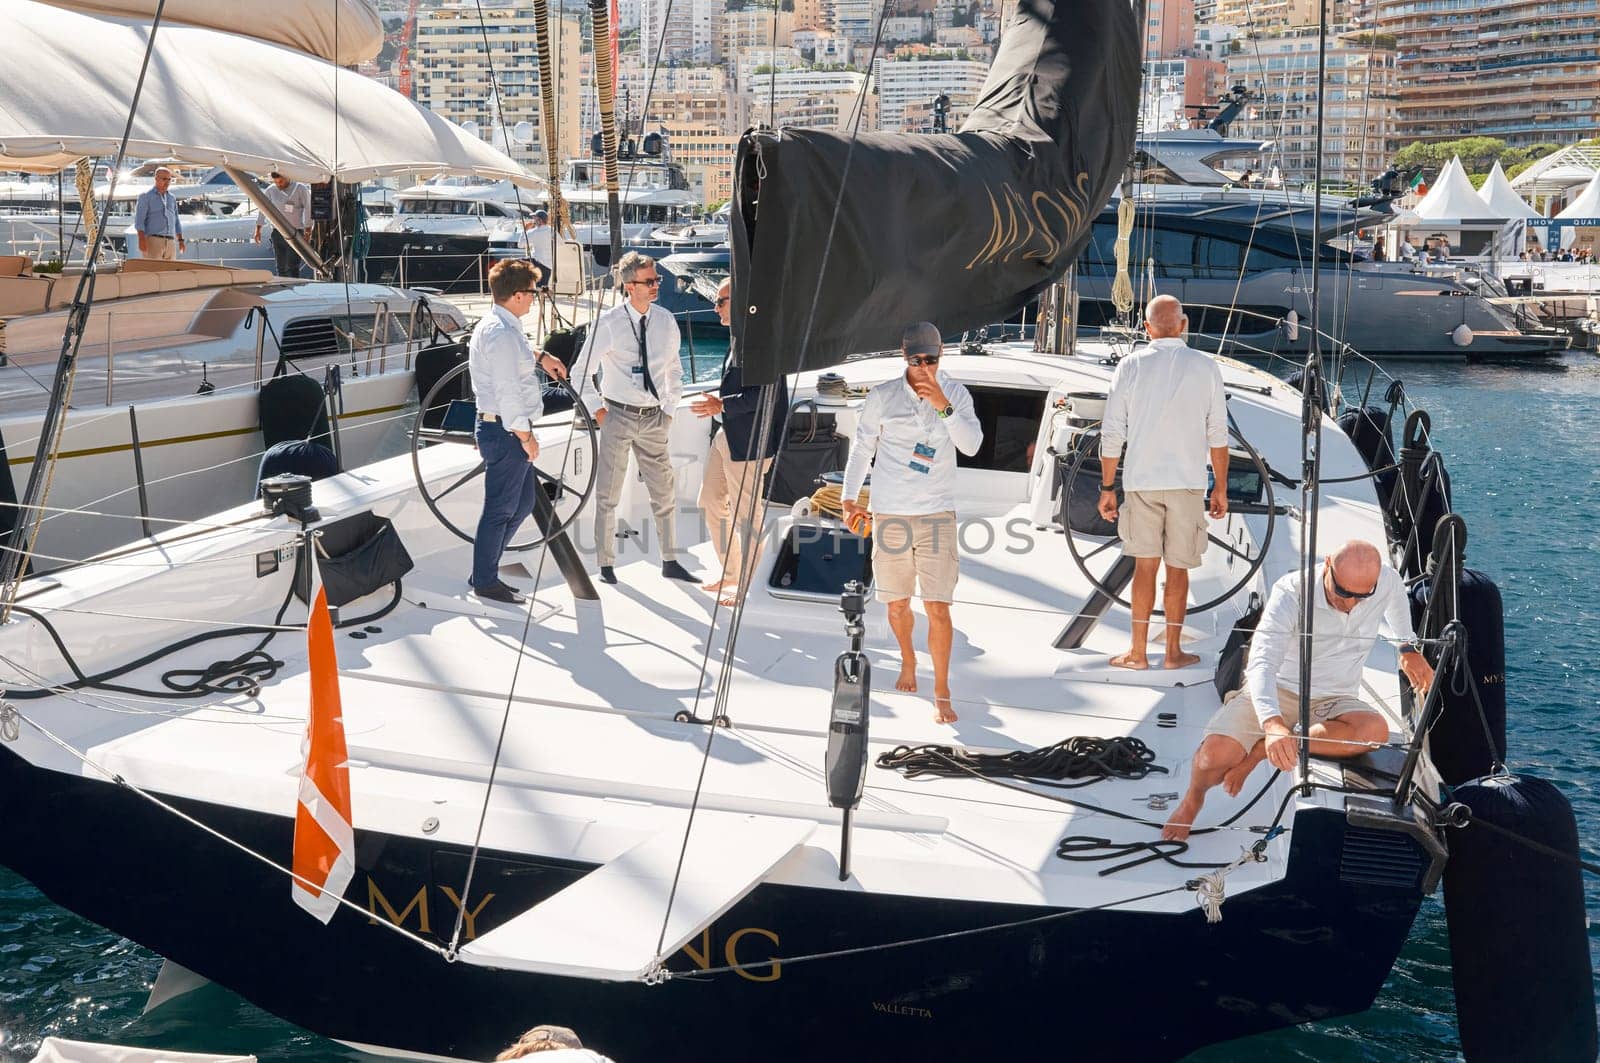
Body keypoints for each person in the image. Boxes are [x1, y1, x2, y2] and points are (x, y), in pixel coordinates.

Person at [1162, 540, 1435, 841]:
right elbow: (1261, 663)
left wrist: (1407, 648)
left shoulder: (1386, 581)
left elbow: (1398, 611)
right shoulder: (1291, 591)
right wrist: (1272, 722)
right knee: (1211, 757)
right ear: (1328, 563)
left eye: (1362, 596)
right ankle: (1193, 799)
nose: (1350, 604)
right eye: (1343, 592)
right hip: (1280, 688)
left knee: (1374, 733)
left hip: (1337, 697)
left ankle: (1259, 754)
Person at [840, 322, 982, 724]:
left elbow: (971, 444)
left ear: (942, 355)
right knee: (897, 603)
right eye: (916, 359)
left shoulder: (955, 393)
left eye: (931, 359)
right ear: (905, 357)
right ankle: (907, 659)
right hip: (891, 512)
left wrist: (942, 403)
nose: (924, 367)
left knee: (938, 606)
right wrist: (850, 499)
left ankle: (941, 687)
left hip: (936, 512)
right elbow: (862, 449)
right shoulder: (883, 396)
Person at [1097, 294, 1229, 671]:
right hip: (1188, 484)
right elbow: (1217, 434)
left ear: (1147, 328)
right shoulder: (1206, 367)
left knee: (1144, 567)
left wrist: (1108, 487)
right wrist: (1219, 486)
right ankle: (1172, 652)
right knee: (1178, 569)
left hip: (1141, 482)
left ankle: (1137, 652)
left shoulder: (1130, 366)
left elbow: (1112, 433)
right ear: (1184, 326)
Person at [576, 251, 692, 585]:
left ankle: (670, 559)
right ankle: (605, 564)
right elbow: (580, 371)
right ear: (629, 286)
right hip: (617, 415)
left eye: (657, 280)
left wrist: (669, 411)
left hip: (655, 417)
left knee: (664, 492)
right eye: (650, 281)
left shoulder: (666, 321)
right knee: (608, 494)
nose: (657, 285)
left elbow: (674, 370)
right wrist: (599, 411)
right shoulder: (610, 324)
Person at [467, 259, 569, 605]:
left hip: (504, 429)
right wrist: (526, 438)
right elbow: (508, 392)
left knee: (524, 503)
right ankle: (484, 579)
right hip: (506, 432)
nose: (535, 298)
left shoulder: (504, 328)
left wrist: (543, 357)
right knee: (499, 509)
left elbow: (517, 359)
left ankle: (486, 568)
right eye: (532, 292)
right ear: (516, 295)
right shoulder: (500, 334)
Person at [692, 277, 787, 605]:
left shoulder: (762, 342)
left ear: (741, 301)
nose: (715, 307)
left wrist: (722, 405)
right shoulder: (740, 338)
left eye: (721, 301)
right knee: (709, 501)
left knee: (747, 515)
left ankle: (751, 583)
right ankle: (733, 571)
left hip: (750, 442)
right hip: (728, 433)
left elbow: (765, 393)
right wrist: (720, 407)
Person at [254, 171, 313, 278]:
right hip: (278, 233)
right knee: (280, 267)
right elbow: (262, 209)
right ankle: (283, 289)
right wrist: (258, 228)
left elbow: (308, 208)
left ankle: (294, 289)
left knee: (293, 265)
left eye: (280, 181)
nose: (278, 185)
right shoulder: (271, 190)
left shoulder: (300, 188)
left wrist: (308, 229)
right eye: (276, 182)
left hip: (296, 232)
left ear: (287, 177)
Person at [133, 167, 185, 261]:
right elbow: (139, 221)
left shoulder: (172, 198)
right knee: (154, 273)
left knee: (169, 273)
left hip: (171, 242)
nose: (167, 182)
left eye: (169, 179)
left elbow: (176, 220)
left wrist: (181, 240)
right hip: (153, 241)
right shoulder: (145, 196)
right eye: (164, 179)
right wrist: (141, 240)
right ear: (156, 178)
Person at [527, 209, 555, 288]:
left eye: (534, 218)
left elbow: (520, 244)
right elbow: (560, 244)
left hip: (536, 262)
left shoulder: (532, 232)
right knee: (542, 288)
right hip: (548, 265)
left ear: (539, 220)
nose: (533, 221)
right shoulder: (552, 230)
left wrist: (525, 230)